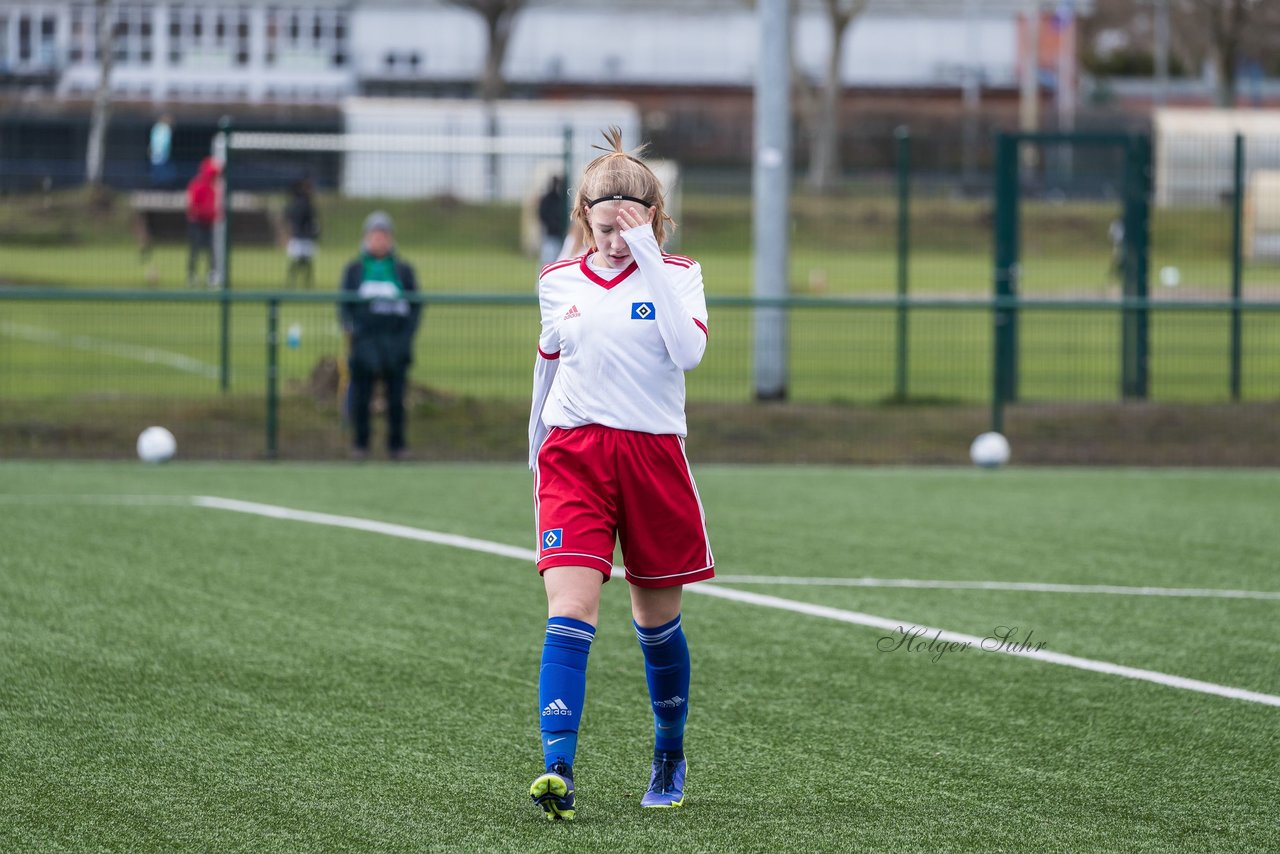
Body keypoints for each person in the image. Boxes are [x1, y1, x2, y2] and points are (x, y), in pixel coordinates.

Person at [527, 128, 713, 820]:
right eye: (602, 228)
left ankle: (668, 752)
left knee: (655, 621)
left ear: (653, 220)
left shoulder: (679, 274)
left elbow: (686, 351)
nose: (611, 241)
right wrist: (535, 464)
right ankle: (557, 767)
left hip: (653, 458)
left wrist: (647, 255)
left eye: (625, 228)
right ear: (584, 218)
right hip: (574, 460)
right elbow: (545, 379)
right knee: (570, 610)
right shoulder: (557, 283)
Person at [338, 211, 421, 460]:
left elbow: (415, 305)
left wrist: (406, 336)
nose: (379, 240)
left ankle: (397, 445)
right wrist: (351, 331)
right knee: (361, 395)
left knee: (396, 397)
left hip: (394, 341)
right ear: (366, 238)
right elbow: (344, 306)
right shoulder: (354, 269)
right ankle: (360, 444)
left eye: (384, 235)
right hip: (365, 342)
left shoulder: (404, 270)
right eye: (374, 235)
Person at [185, 156, 221, 288]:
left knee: (211, 250)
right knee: (195, 249)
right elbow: (191, 204)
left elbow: (214, 204)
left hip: (209, 222)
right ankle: (191, 275)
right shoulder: (197, 184)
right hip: (197, 222)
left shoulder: (213, 186)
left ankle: (211, 274)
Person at [285, 176, 320, 289]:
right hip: (302, 237)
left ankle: (301, 283)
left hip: (301, 236)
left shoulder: (297, 202)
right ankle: (299, 282)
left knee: (303, 261)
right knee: (302, 261)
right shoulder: (302, 203)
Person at [537, 174, 568, 267]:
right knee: (548, 260)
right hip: (550, 234)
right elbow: (543, 215)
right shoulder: (548, 199)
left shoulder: (562, 200)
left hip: (560, 234)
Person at [149, 114, 174, 187]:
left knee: (157, 168)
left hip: (156, 151)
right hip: (161, 152)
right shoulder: (166, 128)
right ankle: (161, 183)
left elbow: (152, 140)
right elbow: (167, 142)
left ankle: (158, 182)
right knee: (161, 168)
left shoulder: (156, 127)